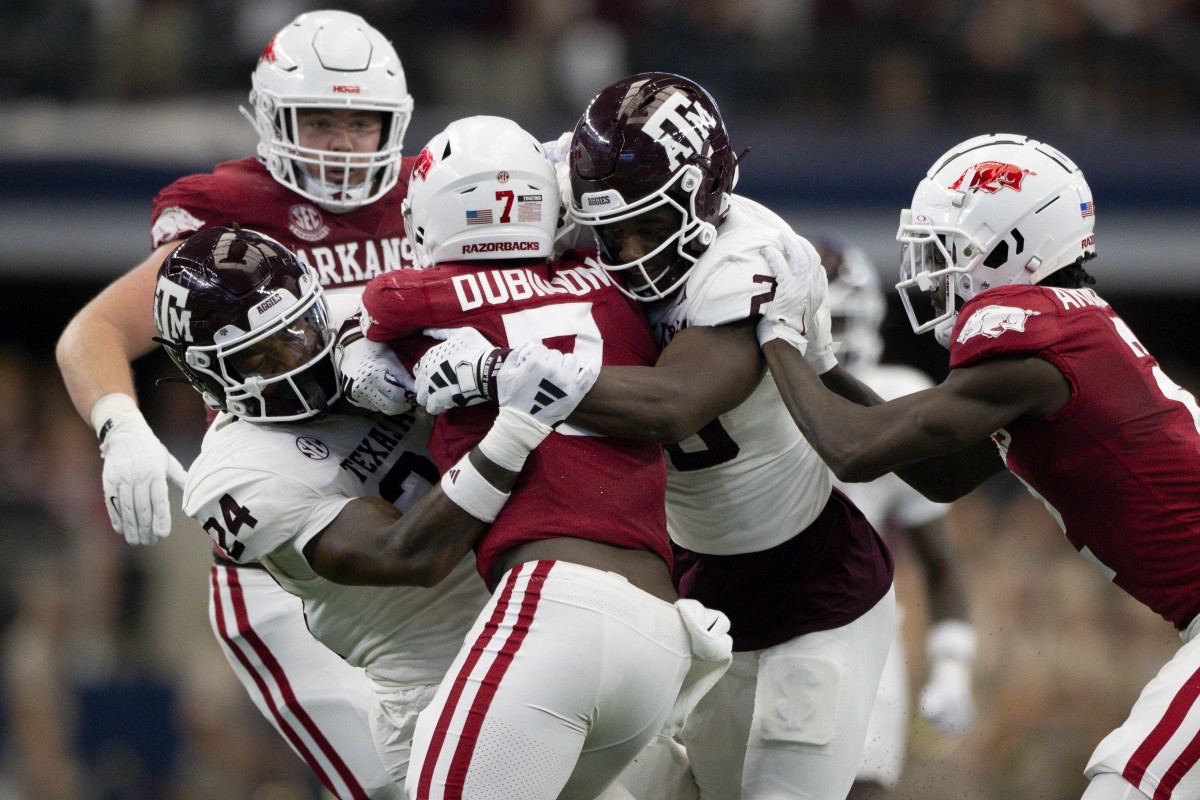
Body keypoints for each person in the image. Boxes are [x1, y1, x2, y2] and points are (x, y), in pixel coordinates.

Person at [402, 73, 897, 800]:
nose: (629, 251)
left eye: (651, 226)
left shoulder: (750, 256)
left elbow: (671, 405)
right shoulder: (573, 177)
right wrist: (369, 341)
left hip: (812, 587)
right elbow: (437, 223)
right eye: (613, 230)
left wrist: (498, 370)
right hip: (689, 580)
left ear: (708, 191)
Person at [759, 133, 1200, 800]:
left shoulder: (1031, 338)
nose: (933, 271)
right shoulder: (1065, 333)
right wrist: (821, 362)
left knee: (1128, 785)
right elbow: (941, 474)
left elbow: (850, 448)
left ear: (1011, 244)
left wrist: (777, 338)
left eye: (949, 248)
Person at [54, 10, 421, 797]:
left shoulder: (436, 191)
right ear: (271, 118)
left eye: (361, 122)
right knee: (394, 782)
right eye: (319, 119)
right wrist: (120, 426)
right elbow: (93, 332)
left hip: (425, 518)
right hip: (286, 538)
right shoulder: (226, 210)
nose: (342, 142)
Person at [356, 114, 733, 800]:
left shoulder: (411, 298)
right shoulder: (613, 283)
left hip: (554, 604)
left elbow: (375, 316)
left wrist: (365, 358)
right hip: (659, 635)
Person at [154, 225, 596, 797]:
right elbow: (412, 553)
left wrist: (409, 347)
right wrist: (513, 427)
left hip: (547, 624)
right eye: (260, 357)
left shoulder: (359, 314)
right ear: (206, 377)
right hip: (439, 691)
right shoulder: (234, 476)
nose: (299, 358)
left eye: (300, 331)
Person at [810, 236, 977, 800]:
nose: (827, 336)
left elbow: (942, 565)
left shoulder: (893, 399)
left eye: (836, 318)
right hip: (741, 631)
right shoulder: (730, 397)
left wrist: (951, 663)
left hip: (860, 642)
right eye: (816, 318)